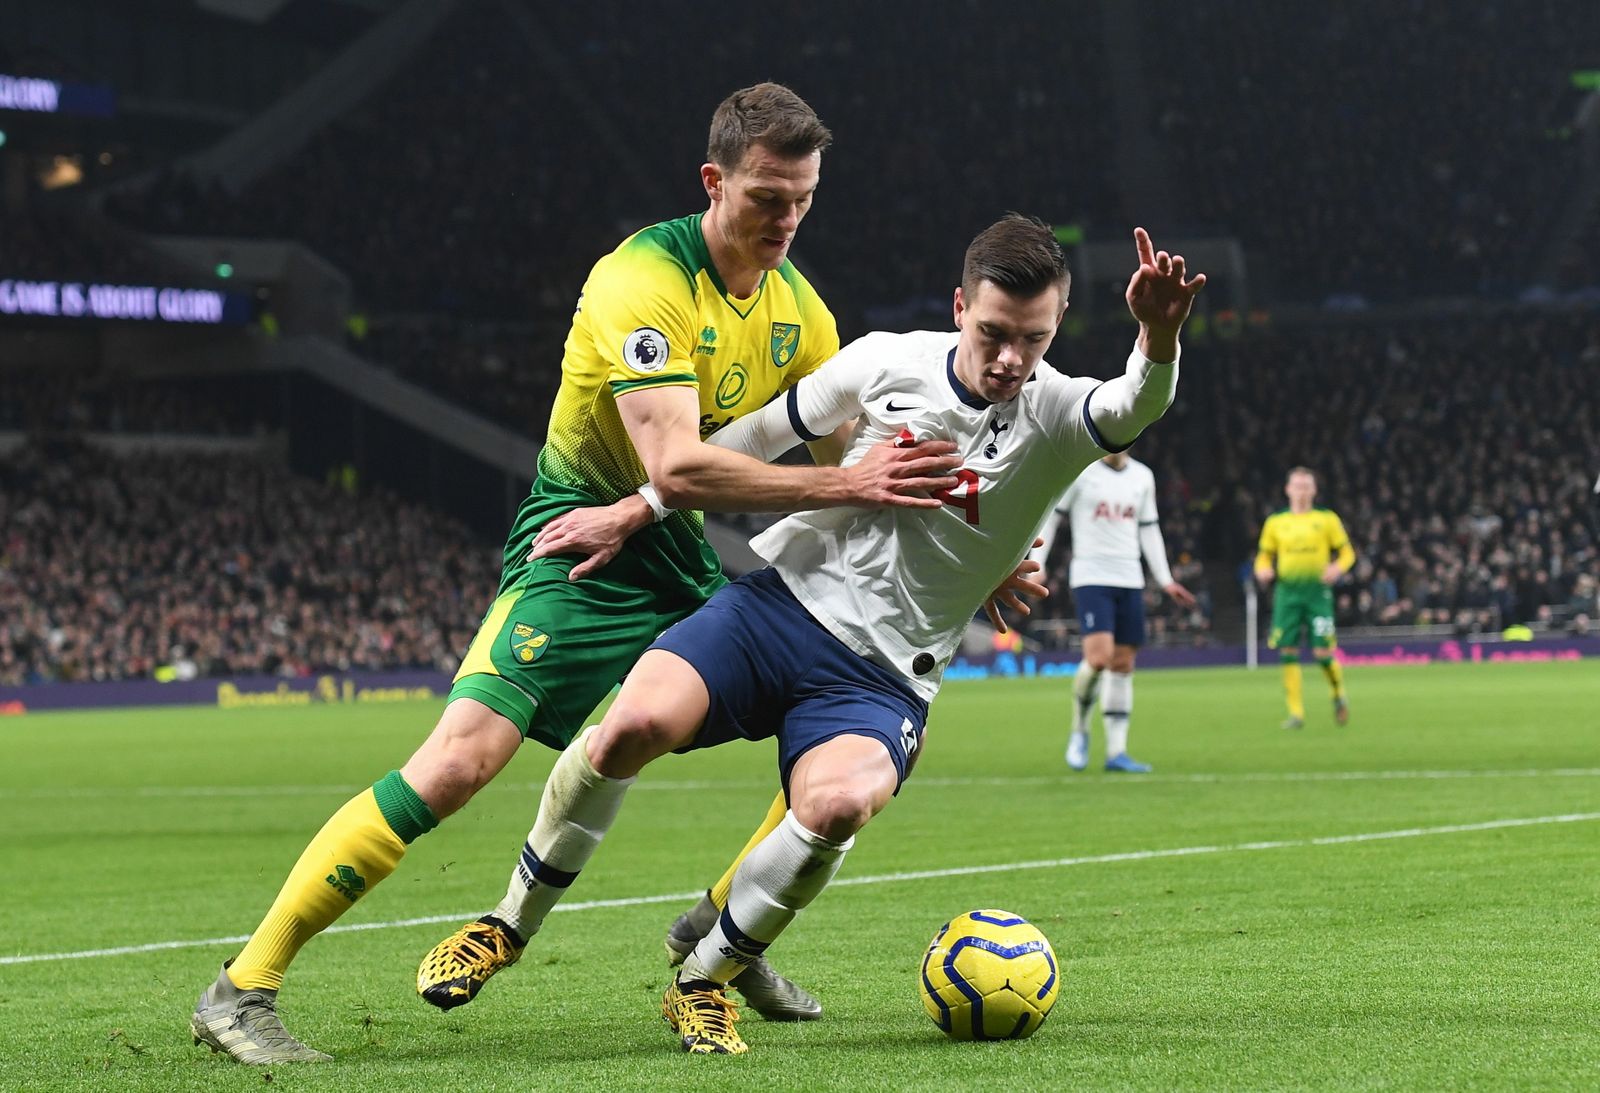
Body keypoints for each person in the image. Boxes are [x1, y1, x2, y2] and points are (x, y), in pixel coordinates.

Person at [191, 82, 964, 1066]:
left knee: (836, 709)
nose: (786, 219)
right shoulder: (640, 279)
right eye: (768, 196)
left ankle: (724, 933)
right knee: (461, 760)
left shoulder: (800, 314)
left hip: (672, 546)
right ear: (712, 180)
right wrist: (844, 480)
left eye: (803, 198)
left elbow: (839, 478)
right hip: (580, 539)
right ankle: (242, 987)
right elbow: (680, 467)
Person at [462, 215, 1204, 1055]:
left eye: (1030, 340)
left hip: (886, 676)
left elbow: (1136, 400)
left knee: (838, 806)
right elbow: (753, 439)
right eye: (993, 332)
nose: (1008, 358)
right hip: (779, 607)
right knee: (630, 723)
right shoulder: (885, 360)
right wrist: (637, 508)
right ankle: (507, 923)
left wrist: (1158, 334)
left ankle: (703, 978)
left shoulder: (1062, 412)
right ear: (960, 307)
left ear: (1056, 326)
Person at [1035, 450, 1196, 773]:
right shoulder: (1081, 471)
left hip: (1130, 578)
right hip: (1091, 576)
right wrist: (1038, 564)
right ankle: (1079, 729)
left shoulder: (1142, 477)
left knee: (1123, 663)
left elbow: (1149, 529)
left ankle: (1116, 752)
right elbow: (1052, 516)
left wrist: (1165, 580)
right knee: (1099, 658)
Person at [1253, 467, 1355, 728]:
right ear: (1288, 490)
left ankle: (1338, 694)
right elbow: (1264, 555)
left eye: (1306, 486)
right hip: (1287, 593)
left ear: (1314, 490)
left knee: (1322, 652)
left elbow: (1347, 553)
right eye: (1297, 486)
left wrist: (1337, 568)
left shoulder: (1326, 519)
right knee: (1288, 650)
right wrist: (1262, 569)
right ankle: (1296, 714)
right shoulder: (1276, 522)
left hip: (1317, 593)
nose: (1301, 491)